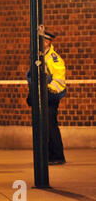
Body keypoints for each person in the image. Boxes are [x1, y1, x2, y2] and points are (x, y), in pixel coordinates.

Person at [27, 31, 66, 165]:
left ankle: (57, 156)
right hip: (43, 96)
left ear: (48, 42)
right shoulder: (40, 56)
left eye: (43, 41)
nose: (41, 43)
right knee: (45, 127)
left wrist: (48, 90)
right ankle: (50, 155)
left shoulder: (53, 58)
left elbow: (59, 79)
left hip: (50, 97)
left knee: (50, 126)